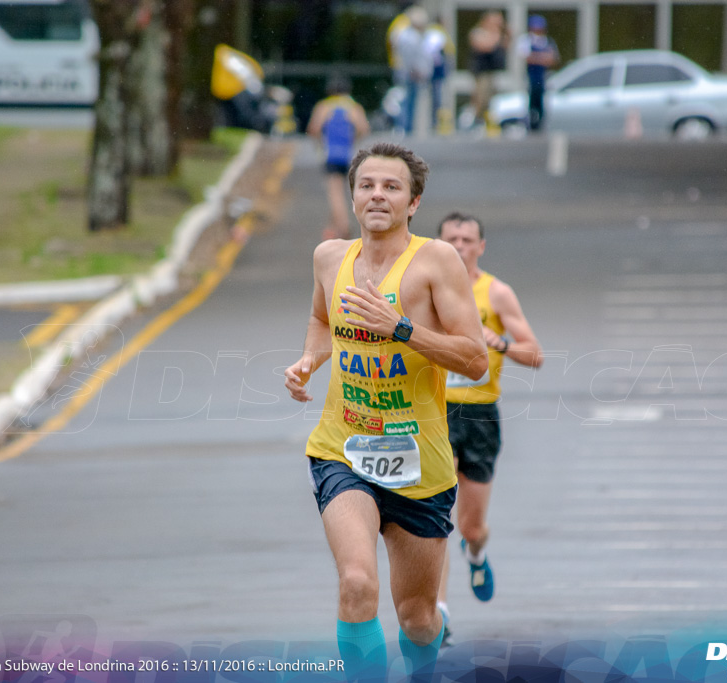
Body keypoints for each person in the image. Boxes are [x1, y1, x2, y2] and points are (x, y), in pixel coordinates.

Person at [284, 143, 488, 681]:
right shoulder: (330, 257)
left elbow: (475, 360)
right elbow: (321, 318)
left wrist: (399, 329)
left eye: (391, 186)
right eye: (367, 184)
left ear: (414, 202)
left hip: (419, 463)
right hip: (343, 449)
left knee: (417, 619)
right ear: (352, 195)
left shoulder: (436, 262)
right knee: (357, 584)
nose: (377, 194)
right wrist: (310, 359)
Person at [434, 211, 543, 642]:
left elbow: (535, 355)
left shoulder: (496, 293)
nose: (459, 246)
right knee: (435, 516)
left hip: (480, 416)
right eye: (451, 239)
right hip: (434, 412)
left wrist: (493, 340)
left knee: (470, 527)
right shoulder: (425, 287)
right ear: (438, 245)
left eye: (467, 239)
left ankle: (476, 556)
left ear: (481, 246)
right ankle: (439, 612)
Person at [307, 77, 370, 240]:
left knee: (335, 193)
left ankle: (343, 227)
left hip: (332, 154)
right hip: (349, 155)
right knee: (346, 191)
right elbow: (364, 128)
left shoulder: (324, 106)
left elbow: (313, 128)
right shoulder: (353, 107)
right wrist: (353, 140)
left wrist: (321, 142)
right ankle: (332, 227)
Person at [393, 6, 434, 135]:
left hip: (410, 73)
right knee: (407, 101)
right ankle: (405, 128)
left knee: (408, 100)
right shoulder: (410, 37)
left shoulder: (408, 35)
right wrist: (416, 70)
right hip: (411, 73)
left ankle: (406, 128)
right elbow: (412, 58)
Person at [516, 15, 560, 131]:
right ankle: (531, 123)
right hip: (531, 76)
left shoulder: (547, 41)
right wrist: (542, 58)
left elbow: (553, 59)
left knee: (542, 101)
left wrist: (538, 58)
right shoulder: (527, 40)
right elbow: (526, 57)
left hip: (543, 76)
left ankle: (539, 124)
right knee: (531, 100)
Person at [468, 11, 509, 126]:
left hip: (492, 71)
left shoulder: (497, 34)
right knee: (481, 99)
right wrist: (496, 33)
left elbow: (506, 45)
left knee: (491, 99)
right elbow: (486, 46)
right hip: (481, 72)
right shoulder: (478, 32)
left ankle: (487, 122)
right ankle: (476, 122)